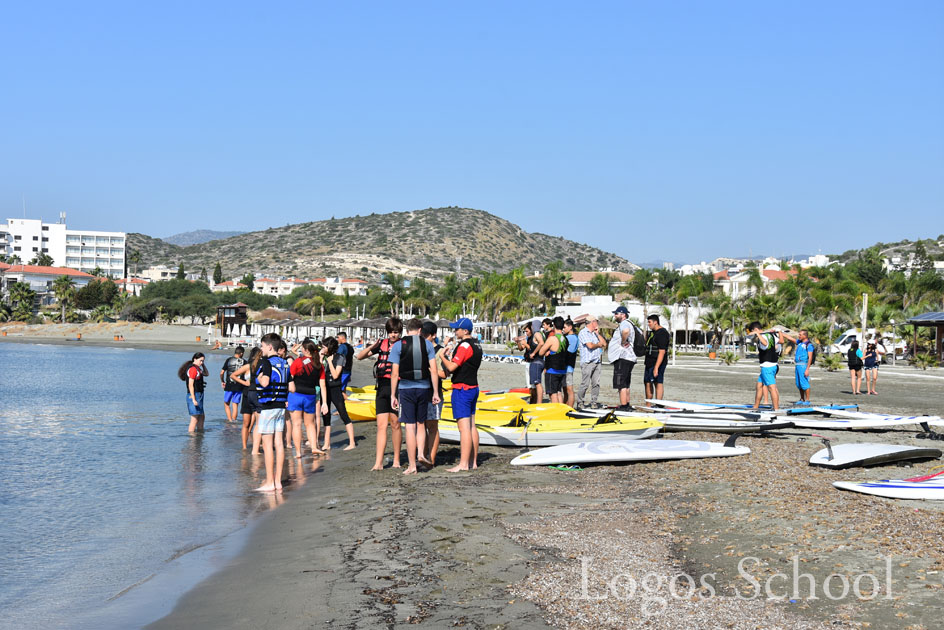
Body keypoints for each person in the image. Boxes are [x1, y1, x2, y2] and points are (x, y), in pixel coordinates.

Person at [389, 318, 441, 475]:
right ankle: (420, 454)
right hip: (424, 388)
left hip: (406, 389)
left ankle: (412, 465)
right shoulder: (427, 344)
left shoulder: (398, 345)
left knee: (409, 427)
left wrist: (393, 394)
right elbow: (433, 370)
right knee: (420, 424)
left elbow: (395, 373)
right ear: (420, 330)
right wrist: (436, 392)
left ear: (406, 330)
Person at [357, 317, 403, 470]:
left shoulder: (403, 345)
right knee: (381, 426)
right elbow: (360, 356)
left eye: (395, 332)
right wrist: (373, 346)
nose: (393, 335)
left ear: (400, 332)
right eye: (390, 332)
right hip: (381, 387)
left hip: (396, 388)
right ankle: (378, 463)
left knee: (395, 424)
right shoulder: (381, 344)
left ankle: (396, 460)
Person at [438, 318, 482, 472]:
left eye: (457, 329)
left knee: (464, 429)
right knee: (471, 426)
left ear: (465, 331)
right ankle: (473, 461)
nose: (455, 332)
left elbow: (451, 367)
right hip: (473, 387)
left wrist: (442, 355)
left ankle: (463, 464)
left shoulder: (464, 345)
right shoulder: (477, 344)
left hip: (462, 389)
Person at [254, 333, 290, 492]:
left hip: (268, 407)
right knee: (279, 443)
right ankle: (278, 482)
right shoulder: (284, 363)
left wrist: (259, 377)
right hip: (281, 407)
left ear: (269, 346)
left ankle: (270, 482)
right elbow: (292, 387)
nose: (261, 350)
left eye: (262, 346)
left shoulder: (265, 362)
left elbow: (265, 382)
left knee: (267, 444)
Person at [288, 339, 325, 458]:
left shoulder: (298, 362)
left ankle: (298, 453)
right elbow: (322, 384)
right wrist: (324, 402)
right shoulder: (319, 365)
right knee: (310, 424)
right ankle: (314, 447)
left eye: (302, 348)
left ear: (305, 350)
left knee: (297, 424)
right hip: (310, 396)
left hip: (296, 395)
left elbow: (290, 378)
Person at [320, 336, 356, 450]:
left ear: (329, 347)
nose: (322, 348)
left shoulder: (339, 357)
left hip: (335, 388)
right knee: (325, 415)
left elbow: (336, 375)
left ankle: (352, 442)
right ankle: (327, 443)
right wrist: (321, 359)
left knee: (343, 413)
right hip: (325, 389)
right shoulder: (324, 357)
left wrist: (330, 362)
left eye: (324, 346)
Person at [422, 320, 446, 466]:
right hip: (420, 391)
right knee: (421, 426)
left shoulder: (440, 351)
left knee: (432, 426)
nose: (423, 337)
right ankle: (423, 455)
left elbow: (445, 374)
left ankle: (431, 458)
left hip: (434, 393)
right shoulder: (419, 348)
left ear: (433, 336)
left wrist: (431, 370)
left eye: (426, 335)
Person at [746, 322, 783, 410]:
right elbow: (781, 341)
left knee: (771, 388)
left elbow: (765, 343)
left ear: (755, 329)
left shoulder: (762, 336)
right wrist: (780, 332)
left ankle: (776, 409)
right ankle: (755, 406)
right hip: (771, 365)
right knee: (759, 386)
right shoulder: (771, 335)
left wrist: (757, 334)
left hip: (768, 366)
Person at [231, 347, 262, 451]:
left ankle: (253, 445)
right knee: (247, 423)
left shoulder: (261, 366)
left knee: (253, 422)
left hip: (253, 394)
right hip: (248, 394)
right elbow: (233, 375)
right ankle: (245, 446)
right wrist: (245, 383)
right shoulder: (248, 366)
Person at [607, 306, 637, 410]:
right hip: (629, 357)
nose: (615, 316)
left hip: (623, 357)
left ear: (623, 315)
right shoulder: (631, 323)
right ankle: (627, 404)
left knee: (621, 383)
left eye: (616, 314)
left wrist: (623, 342)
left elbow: (625, 331)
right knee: (626, 383)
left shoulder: (625, 323)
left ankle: (624, 405)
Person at [575, 316, 606, 409]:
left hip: (596, 361)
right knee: (585, 384)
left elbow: (604, 344)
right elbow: (590, 346)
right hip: (587, 362)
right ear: (592, 322)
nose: (597, 323)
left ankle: (594, 402)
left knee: (596, 383)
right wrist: (598, 345)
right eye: (596, 321)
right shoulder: (584, 333)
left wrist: (597, 334)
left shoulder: (594, 334)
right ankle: (580, 402)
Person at [538, 317, 568, 404]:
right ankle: (562, 411)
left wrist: (547, 351)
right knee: (559, 392)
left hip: (552, 370)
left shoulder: (552, 339)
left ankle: (556, 411)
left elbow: (541, 352)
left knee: (553, 394)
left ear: (554, 326)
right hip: (562, 370)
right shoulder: (565, 339)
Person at [782, 330, 815, 403]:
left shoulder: (809, 345)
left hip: (803, 365)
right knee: (799, 383)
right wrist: (782, 334)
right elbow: (791, 338)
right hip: (797, 365)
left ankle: (807, 400)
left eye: (800, 335)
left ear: (805, 336)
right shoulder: (800, 343)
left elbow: (810, 358)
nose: (799, 336)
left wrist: (807, 369)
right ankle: (802, 398)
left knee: (804, 383)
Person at [517, 320, 545, 404]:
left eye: (527, 331)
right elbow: (521, 349)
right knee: (531, 384)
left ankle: (535, 402)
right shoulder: (529, 337)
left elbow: (535, 346)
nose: (526, 333)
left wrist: (532, 352)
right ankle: (534, 401)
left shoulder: (536, 335)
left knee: (535, 385)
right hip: (529, 361)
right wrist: (518, 342)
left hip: (534, 361)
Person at [179, 352, 208, 433]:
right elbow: (190, 385)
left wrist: (203, 365)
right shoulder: (192, 369)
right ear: (195, 359)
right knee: (194, 418)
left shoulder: (198, 368)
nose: (201, 362)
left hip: (199, 394)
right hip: (194, 395)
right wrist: (194, 399)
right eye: (200, 360)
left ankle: (200, 434)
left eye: (203, 361)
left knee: (202, 416)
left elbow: (206, 373)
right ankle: (192, 439)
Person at [643, 314, 670, 401]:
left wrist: (656, 367)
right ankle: (648, 404)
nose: (648, 324)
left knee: (657, 382)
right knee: (647, 382)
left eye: (650, 322)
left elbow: (662, 352)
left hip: (657, 362)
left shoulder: (662, 333)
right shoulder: (652, 333)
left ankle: (659, 404)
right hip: (649, 362)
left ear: (655, 322)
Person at [220, 346, 246, 421]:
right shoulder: (244, 362)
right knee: (235, 404)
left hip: (229, 385)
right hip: (239, 385)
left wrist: (222, 381)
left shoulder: (228, 360)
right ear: (241, 353)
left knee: (226, 403)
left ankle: (230, 420)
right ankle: (234, 420)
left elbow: (221, 372)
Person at [562, 319, 579, 408]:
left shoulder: (570, 338)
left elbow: (569, 351)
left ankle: (570, 407)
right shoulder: (575, 337)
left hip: (567, 366)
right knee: (565, 389)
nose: (563, 329)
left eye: (565, 327)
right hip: (569, 366)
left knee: (569, 389)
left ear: (570, 327)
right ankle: (566, 406)